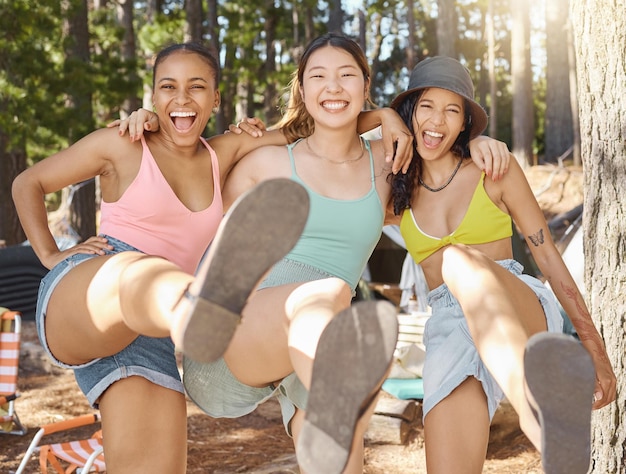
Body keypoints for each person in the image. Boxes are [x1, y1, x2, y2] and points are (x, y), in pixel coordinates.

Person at [120, 34, 512, 474]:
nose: (333, 87)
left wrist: (479, 144)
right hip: (234, 348)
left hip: (320, 347)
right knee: (329, 299)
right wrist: (148, 125)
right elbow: (182, 194)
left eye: (346, 76)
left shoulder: (387, 165)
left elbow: (443, 160)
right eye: (318, 76)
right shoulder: (262, 162)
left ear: (365, 86)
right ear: (302, 91)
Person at [11, 42, 315, 474]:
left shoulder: (221, 153)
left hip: (153, 335)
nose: (182, 98)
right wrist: (48, 253)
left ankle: (210, 310)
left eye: (197, 87)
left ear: (216, 98)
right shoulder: (124, 144)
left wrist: (382, 117)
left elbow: (305, 128)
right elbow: (29, 183)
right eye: (168, 87)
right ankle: (212, 307)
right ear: (153, 97)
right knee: (139, 273)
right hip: (93, 290)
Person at [386, 56, 617, 474]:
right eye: (426, 106)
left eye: (452, 110)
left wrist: (594, 348)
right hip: (449, 329)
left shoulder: (493, 170)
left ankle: (545, 423)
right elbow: (330, 148)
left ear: (464, 125)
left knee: (458, 259)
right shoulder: (395, 191)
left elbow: (549, 257)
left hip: (515, 302)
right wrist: (381, 117)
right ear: (408, 113)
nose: (437, 120)